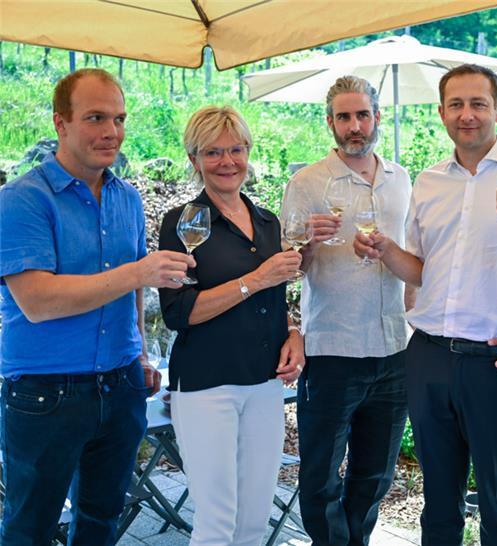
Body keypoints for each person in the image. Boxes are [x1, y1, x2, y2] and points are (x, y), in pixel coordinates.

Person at [355, 64, 497, 545]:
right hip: (429, 355)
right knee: (438, 499)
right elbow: (424, 272)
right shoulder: (430, 181)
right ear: (441, 113)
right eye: (456, 104)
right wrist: (386, 252)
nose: (467, 114)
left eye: (478, 103)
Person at [0, 68, 194, 545]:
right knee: (30, 531)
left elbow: (134, 293)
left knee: (101, 524)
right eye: (95, 118)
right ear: (60, 124)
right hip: (46, 394)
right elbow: (39, 302)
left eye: (119, 119)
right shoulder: (21, 200)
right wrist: (140, 271)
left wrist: (141, 354)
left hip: (122, 382)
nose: (112, 132)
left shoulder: (127, 198)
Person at [158, 106, 304, 546]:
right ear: (194, 160)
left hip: (263, 384)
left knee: (255, 520)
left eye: (236, 149)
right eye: (213, 152)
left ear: (248, 152)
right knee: (218, 523)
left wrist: (294, 333)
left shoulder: (267, 221)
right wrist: (256, 279)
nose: (227, 162)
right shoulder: (182, 222)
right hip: (207, 385)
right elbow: (178, 313)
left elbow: (274, 300)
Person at [280, 75, 411, 546]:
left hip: (394, 347)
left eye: (362, 115)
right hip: (333, 348)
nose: (354, 126)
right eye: (343, 117)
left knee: (375, 477)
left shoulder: (401, 180)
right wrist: (309, 242)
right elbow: (291, 270)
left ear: (377, 117)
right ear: (330, 122)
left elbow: (411, 257)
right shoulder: (307, 183)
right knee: (319, 477)